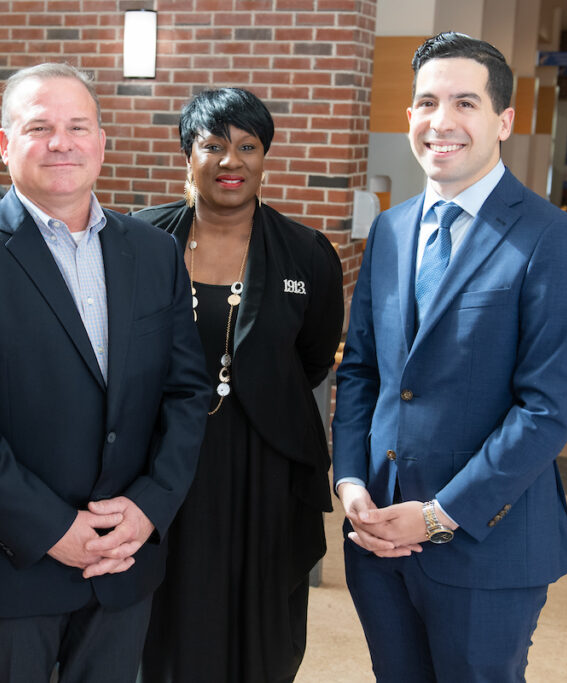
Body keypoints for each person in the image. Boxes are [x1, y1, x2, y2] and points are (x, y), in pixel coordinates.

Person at [0, 63, 210, 682]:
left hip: (124, 561)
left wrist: (148, 508)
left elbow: (186, 392)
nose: (61, 142)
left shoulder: (155, 252)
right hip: (9, 568)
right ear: (5, 143)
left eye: (77, 126)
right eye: (39, 126)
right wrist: (54, 530)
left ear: (102, 141)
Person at [332, 32, 567, 682]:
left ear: (504, 120)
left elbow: (547, 409)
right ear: (409, 118)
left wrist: (437, 516)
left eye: (465, 103)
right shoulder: (392, 231)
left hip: (486, 545)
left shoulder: (553, 239)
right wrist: (351, 481)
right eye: (427, 102)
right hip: (378, 540)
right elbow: (364, 370)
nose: (442, 121)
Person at [132, 87, 344, 682]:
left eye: (248, 146)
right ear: (187, 155)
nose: (232, 162)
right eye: (213, 146)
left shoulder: (306, 253)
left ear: (265, 156)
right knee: (166, 607)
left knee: (260, 612)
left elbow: (312, 355)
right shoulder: (140, 243)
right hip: (159, 461)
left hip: (265, 462)